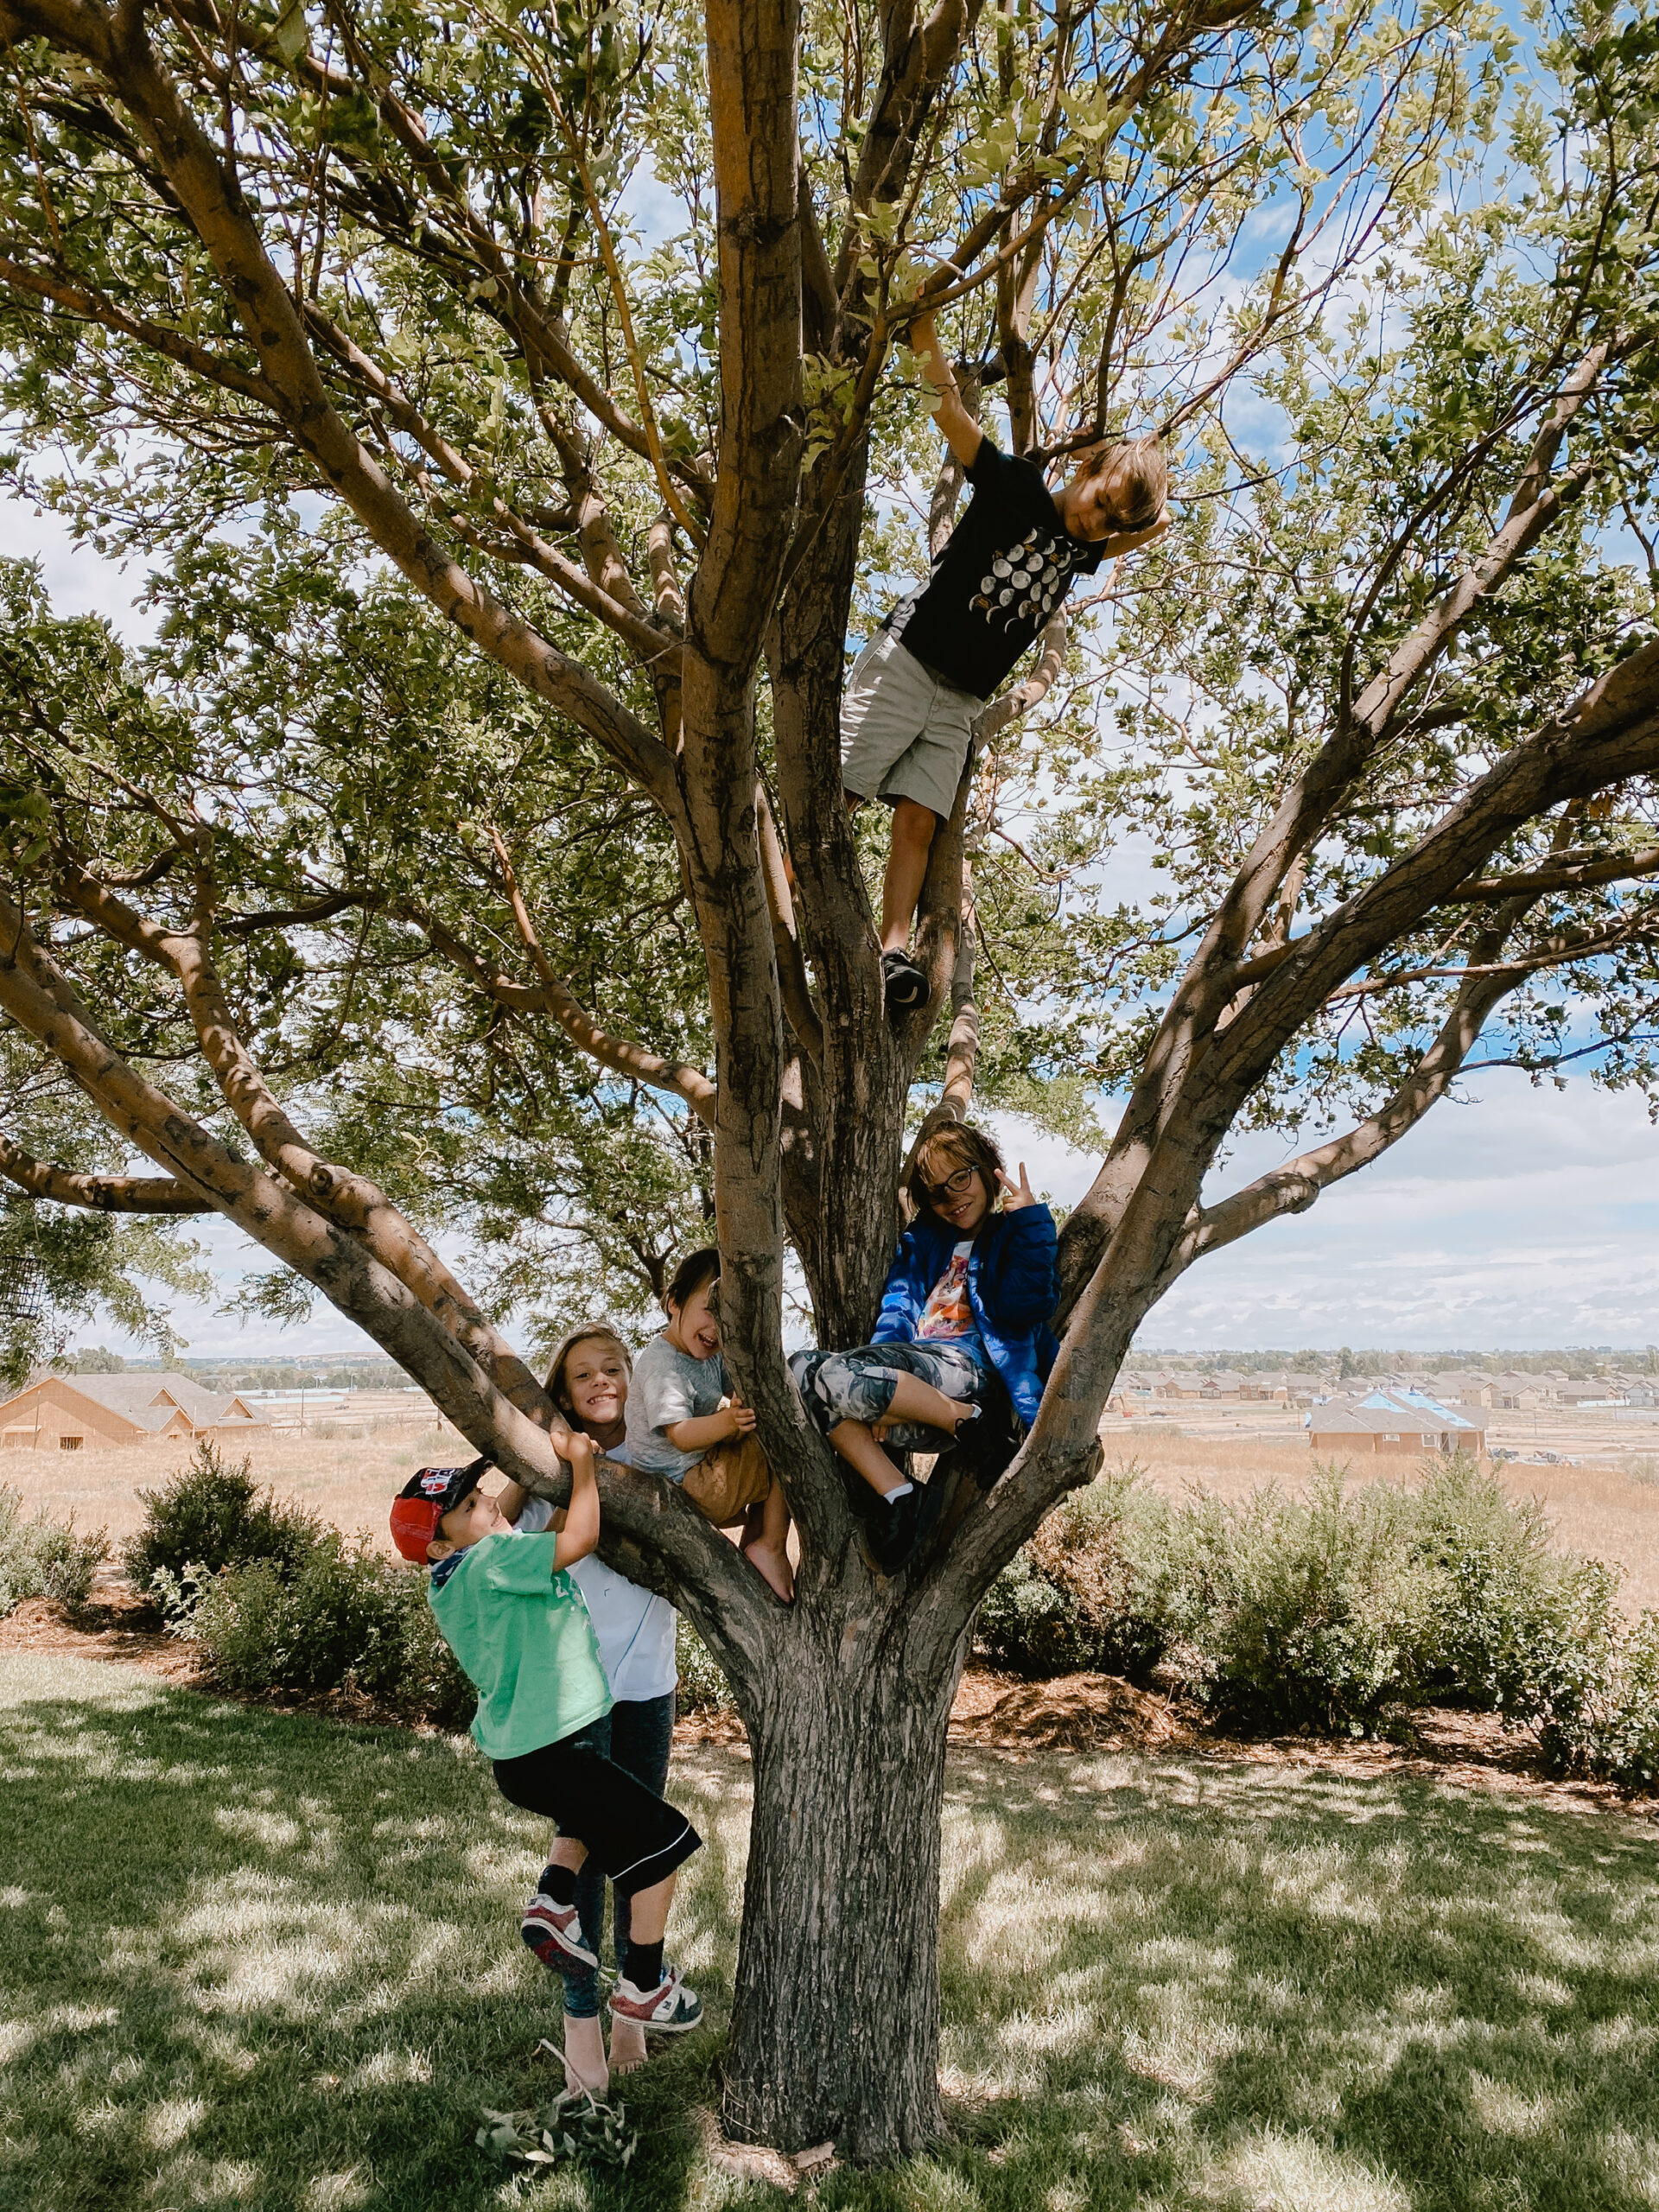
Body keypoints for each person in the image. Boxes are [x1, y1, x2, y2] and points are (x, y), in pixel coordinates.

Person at [843, 309, 1170, 1016]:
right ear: (1086, 470)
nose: (1096, 522)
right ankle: (779, 901)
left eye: (1112, 521)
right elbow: (954, 419)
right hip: (908, 660)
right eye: (1101, 502)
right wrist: (925, 340)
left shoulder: (1086, 548)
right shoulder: (1019, 487)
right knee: (840, 794)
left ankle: (890, 950)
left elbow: (1138, 536)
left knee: (919, 824)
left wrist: (1145, 516)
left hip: (959, 703)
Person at [389, 1439, 705, 2047]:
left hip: (526, 1755)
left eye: (480, 1494)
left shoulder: (453, 1578)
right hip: (557, 1748)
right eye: (470, 1508)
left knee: (584, 1820)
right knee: (664, 1846)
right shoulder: (494, 1561)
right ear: (440, 1544)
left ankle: (554, 1902)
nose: (487, 1506)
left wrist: (526, 1485)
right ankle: (644, 1984)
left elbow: (513, 1525)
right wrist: (582, 1467)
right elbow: (579, 1538)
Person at [493, 1325, 681, 2094]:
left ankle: (630, 2018)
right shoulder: (552, 1475)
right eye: (583, 1375)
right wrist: (532, 1460)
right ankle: (583, 2037)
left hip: (650, 1684)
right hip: (576, 1696)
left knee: (639, 1848)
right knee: (589, 1862)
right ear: (562, 1392)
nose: (602, 1382)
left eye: (615, 1369)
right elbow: (497, 1541)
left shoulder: (659, 1455)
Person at [790, 1122, 1058, 1573]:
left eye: (960, 1178)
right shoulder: (926, 1241)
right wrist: (878, 1387)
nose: (952, 1197)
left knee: (833, 1376)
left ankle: (976, 1422)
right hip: (919, 1406)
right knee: (798, 1369)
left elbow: (1026, 1305)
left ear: (989, 1171)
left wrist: (1030, 1220)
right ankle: (901, 1495)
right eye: (937, 1192)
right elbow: (897, 1307)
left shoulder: (1010, 1234)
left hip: (966, 1370)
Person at [625, 1247, 794, 1602]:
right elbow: (682, 1435)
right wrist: (728, 1421)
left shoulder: (708, 1352)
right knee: (784, 1439)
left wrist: (738, 1404)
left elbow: (740, 1389)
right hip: (686, 1484)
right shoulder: (662, 1365)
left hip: (701, 1467)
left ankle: (755, 1545)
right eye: (710, 1309)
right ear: (674, 1302)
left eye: (728, 1316)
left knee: (765, 1429)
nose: (717, 1328)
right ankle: (772, 1545)